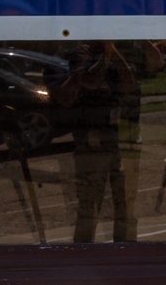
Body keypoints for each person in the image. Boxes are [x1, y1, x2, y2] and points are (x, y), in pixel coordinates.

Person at [53, 41, 137, 243]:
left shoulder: (110, 54)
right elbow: (90, 81)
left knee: (123, 204)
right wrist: (105, 57)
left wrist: (113, 53)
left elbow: (128, 84)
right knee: (89, 208)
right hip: (89, 140)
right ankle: (84, 254)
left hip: (115, 137)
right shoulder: (80, 53)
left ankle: (125, 252)